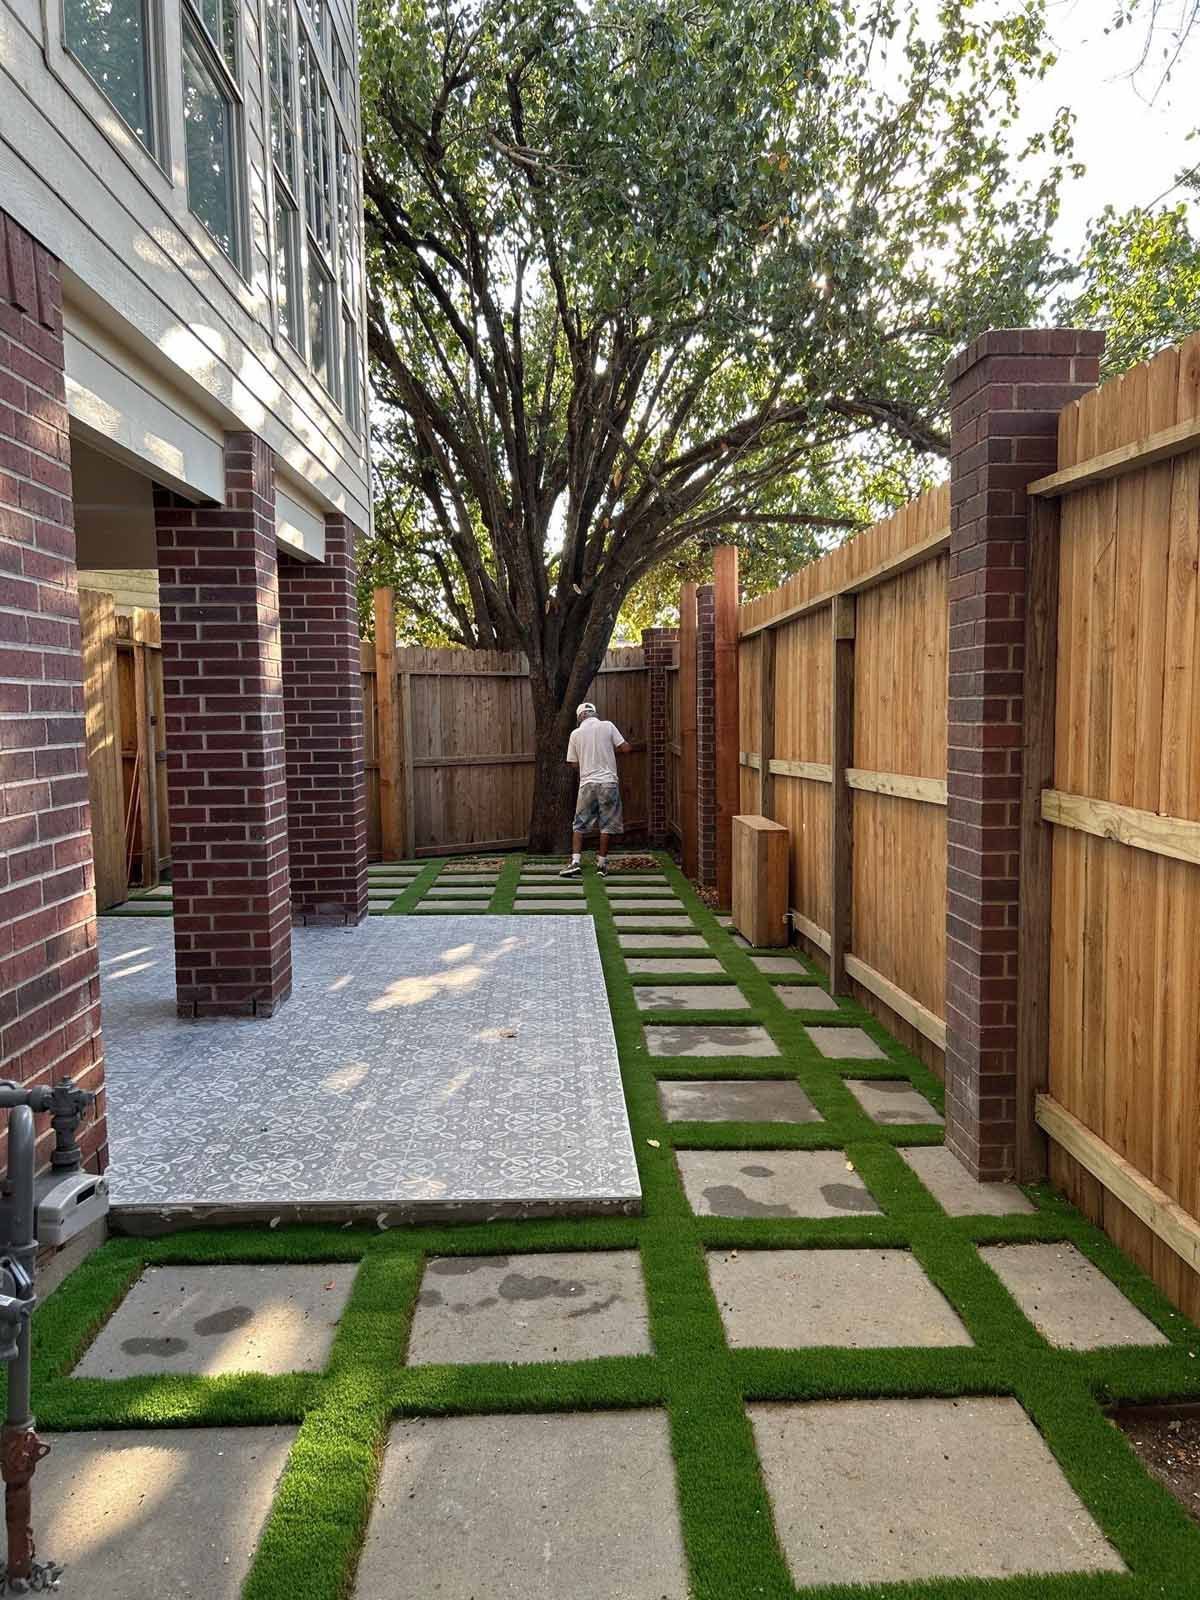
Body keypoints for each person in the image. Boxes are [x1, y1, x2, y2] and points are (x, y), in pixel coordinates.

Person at [559, 702, 632, 877]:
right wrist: (607, 751)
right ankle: (601, 864)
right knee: (606, 825)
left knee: (579, 824)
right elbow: (627, 748)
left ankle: (575, 862)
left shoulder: (575, 734)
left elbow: (574, 764)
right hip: (608, 782)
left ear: (580, 717)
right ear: (594, 714)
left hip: (587, 784)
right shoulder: (607, 726)